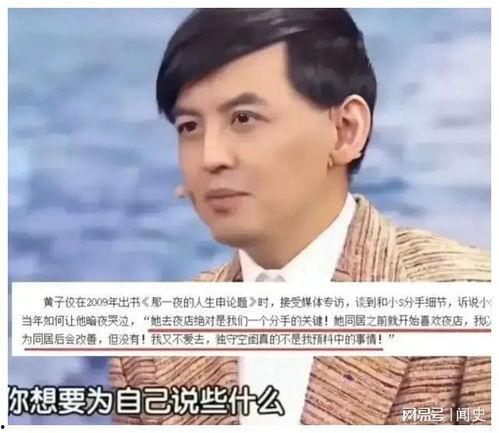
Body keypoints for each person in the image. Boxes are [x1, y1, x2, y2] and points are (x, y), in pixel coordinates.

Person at [109, 8, 491, 425]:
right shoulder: (150, 352)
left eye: (243, 119)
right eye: (189, 127)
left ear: (345, 130)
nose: (210, 157)